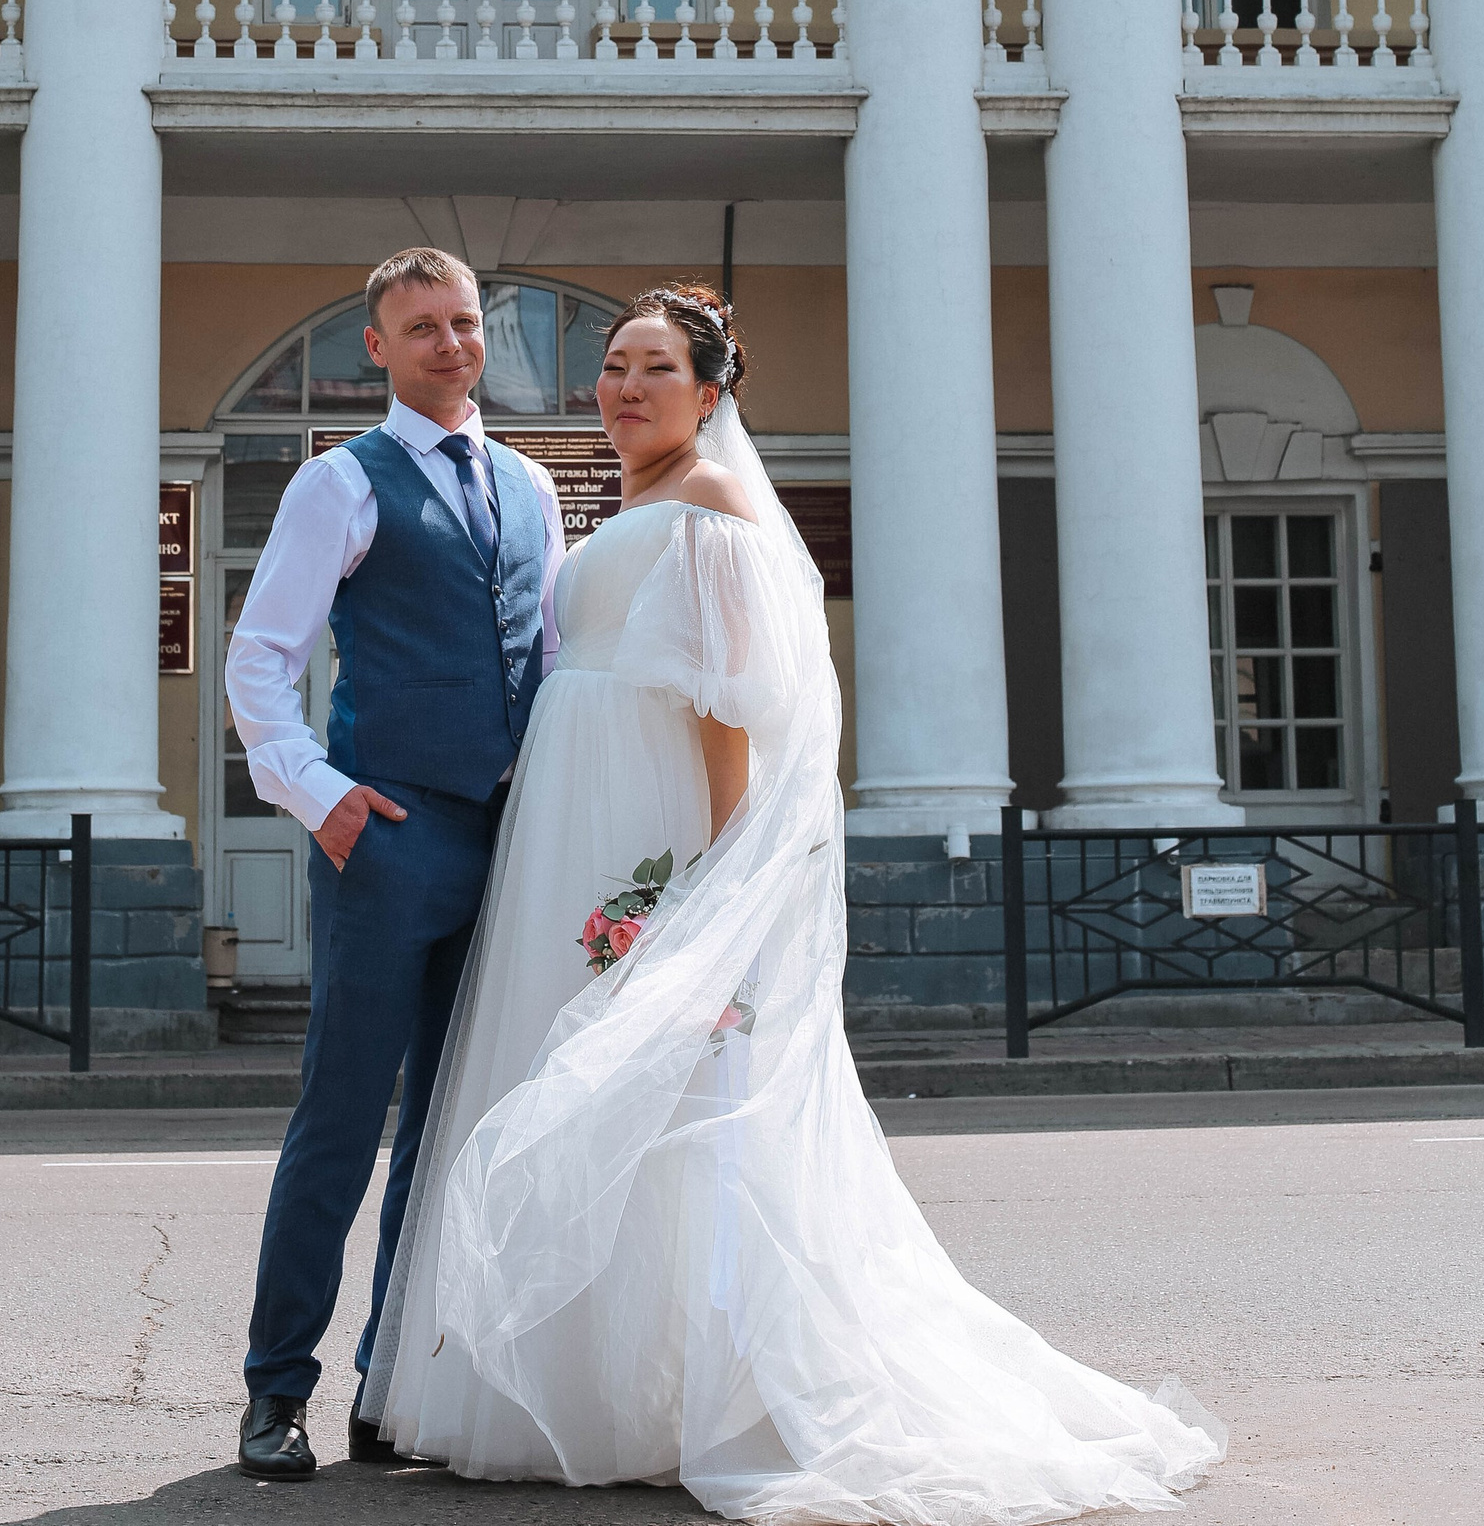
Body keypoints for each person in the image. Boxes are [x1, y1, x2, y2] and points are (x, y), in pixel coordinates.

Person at [364, 283, 1227, 1522]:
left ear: (710, 393)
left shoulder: (713, 506)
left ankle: (685, 1393)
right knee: (589, 1085)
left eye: (656, 368)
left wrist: (712, 888)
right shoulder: (630, 504)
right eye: (613, 366)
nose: (624, 387)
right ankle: (586, 1384)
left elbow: (730, 709)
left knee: (677, 1107)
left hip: (650, 831)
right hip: (573, 824)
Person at [225, 247, 565, 1482]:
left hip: (504, 841)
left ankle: (391, 1387)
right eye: (422, 327)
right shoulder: (339, 481)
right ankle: (276, 1391)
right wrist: (319, 797)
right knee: (341, 1118)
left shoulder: (531, 483)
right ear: (378, 347)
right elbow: (260, 659)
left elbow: (550, 658)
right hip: (386, 839)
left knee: (450, 1126)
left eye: (464, 322)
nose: (450, 344)